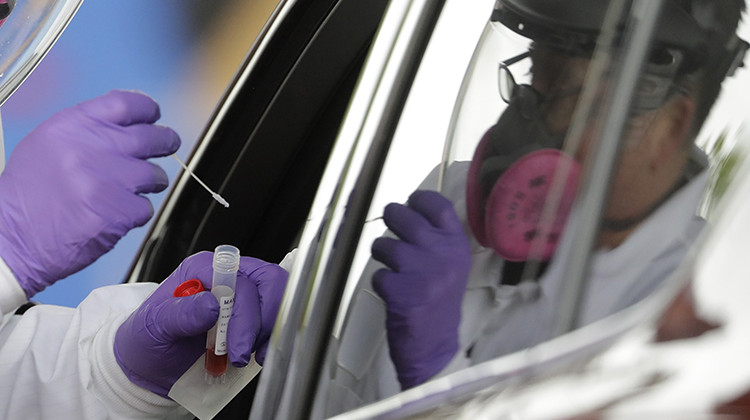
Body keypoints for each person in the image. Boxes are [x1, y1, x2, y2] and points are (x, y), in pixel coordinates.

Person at [320, 0, 749, 415]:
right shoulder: (451, 203)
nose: (519, 121)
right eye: (531, 77)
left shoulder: (695, 315)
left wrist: (437, 377)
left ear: (666, 129)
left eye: (564, 94)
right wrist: (288, 323)